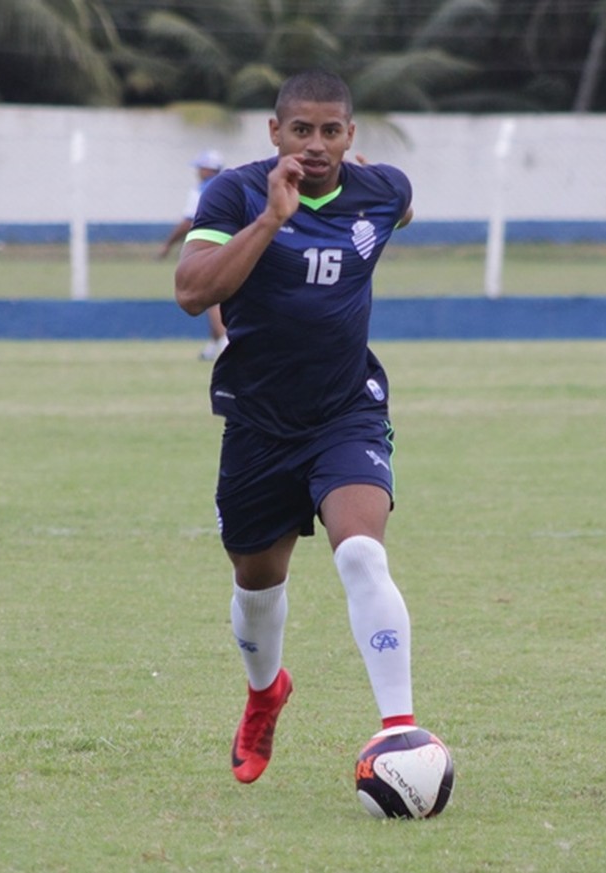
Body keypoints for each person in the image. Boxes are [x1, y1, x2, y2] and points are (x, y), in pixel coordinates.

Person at [173, 69, 418, 785]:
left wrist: (371, 187)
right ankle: (264, 692)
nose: (315, 145)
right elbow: (192, 292)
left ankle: (400, 732)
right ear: (274, 131)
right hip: (258, 420)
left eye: (331, 131)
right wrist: (272, 219)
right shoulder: (237, 194)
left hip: (347, 411)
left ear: (351, 135)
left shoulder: (383, 190)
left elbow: (397, 206)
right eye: (301, 130)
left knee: (362, 554)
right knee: (256, 579)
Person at [160, 149, 229, 360]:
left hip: (209, 248)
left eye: (201, 167)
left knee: (212, 298)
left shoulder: (201, 191)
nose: (198, 172)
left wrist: (168, 244)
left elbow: (188, 221)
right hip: (232, 248)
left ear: (209, 169)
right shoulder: (231, 188)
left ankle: (225, 344)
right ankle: (213, 345)